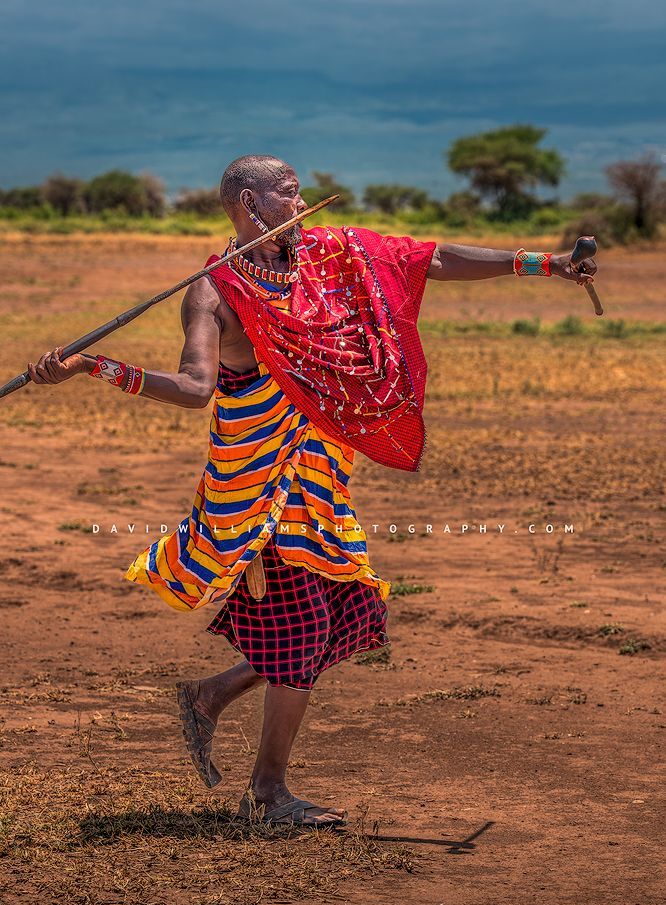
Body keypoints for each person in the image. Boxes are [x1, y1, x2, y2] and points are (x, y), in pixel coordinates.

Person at [27, 154, 597, 828]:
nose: (302, 206)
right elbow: (194, 389)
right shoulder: (215, 292)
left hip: (318, 483)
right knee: (302, 636)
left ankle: (211, 695)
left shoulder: (326, 257)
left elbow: (429, 258)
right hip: (258, 493)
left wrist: (544, 264)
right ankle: (268, 795)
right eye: (289, 195)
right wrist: (97, 366)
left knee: (349, 616)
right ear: (250, 202)